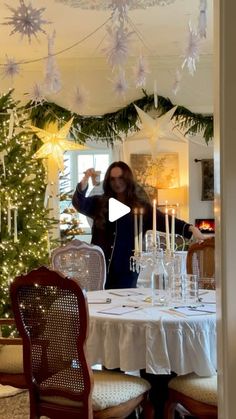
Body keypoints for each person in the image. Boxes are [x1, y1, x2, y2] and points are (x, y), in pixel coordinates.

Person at [72, 161, 205, 290]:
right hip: (98, 268)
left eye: (121, 178)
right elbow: (79, 203)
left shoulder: (141, 208)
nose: (117, 183)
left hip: (126, 270)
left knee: (123, 307)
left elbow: (166, 220)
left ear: (128, 179)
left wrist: (191, 228)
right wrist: (86, 178)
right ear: (108, 181)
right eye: (113, 179)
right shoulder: (98, 203)